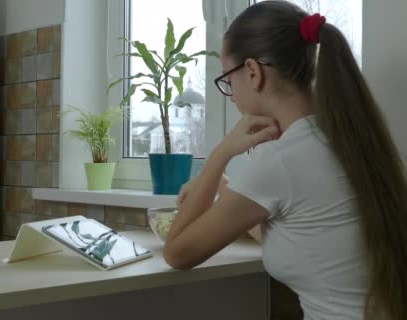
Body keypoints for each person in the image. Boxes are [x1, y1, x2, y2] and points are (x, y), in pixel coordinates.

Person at [164, 1, 407, 319]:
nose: (232, 93)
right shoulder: (349, 137)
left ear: (253, 72)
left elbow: (177, 253)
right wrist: (225, 187)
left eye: (228, 79)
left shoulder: (282, 159)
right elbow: (305, 232)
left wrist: (221, 153)